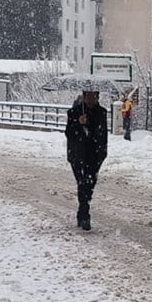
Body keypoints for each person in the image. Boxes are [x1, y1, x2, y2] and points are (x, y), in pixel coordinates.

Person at [65, 87, 108, 231]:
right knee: (82, 182)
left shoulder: (101, 113)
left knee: (89, 185)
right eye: (88, 96)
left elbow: (102, 135)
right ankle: (84, 214)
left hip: (94, 155)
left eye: (94, 96)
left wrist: (102, 153)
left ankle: (82, 211)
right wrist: (78, 123)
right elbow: (69, 133)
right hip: (77, 154)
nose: (91, 99)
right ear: (83, 97)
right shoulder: (74, 112)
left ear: (97, 97)